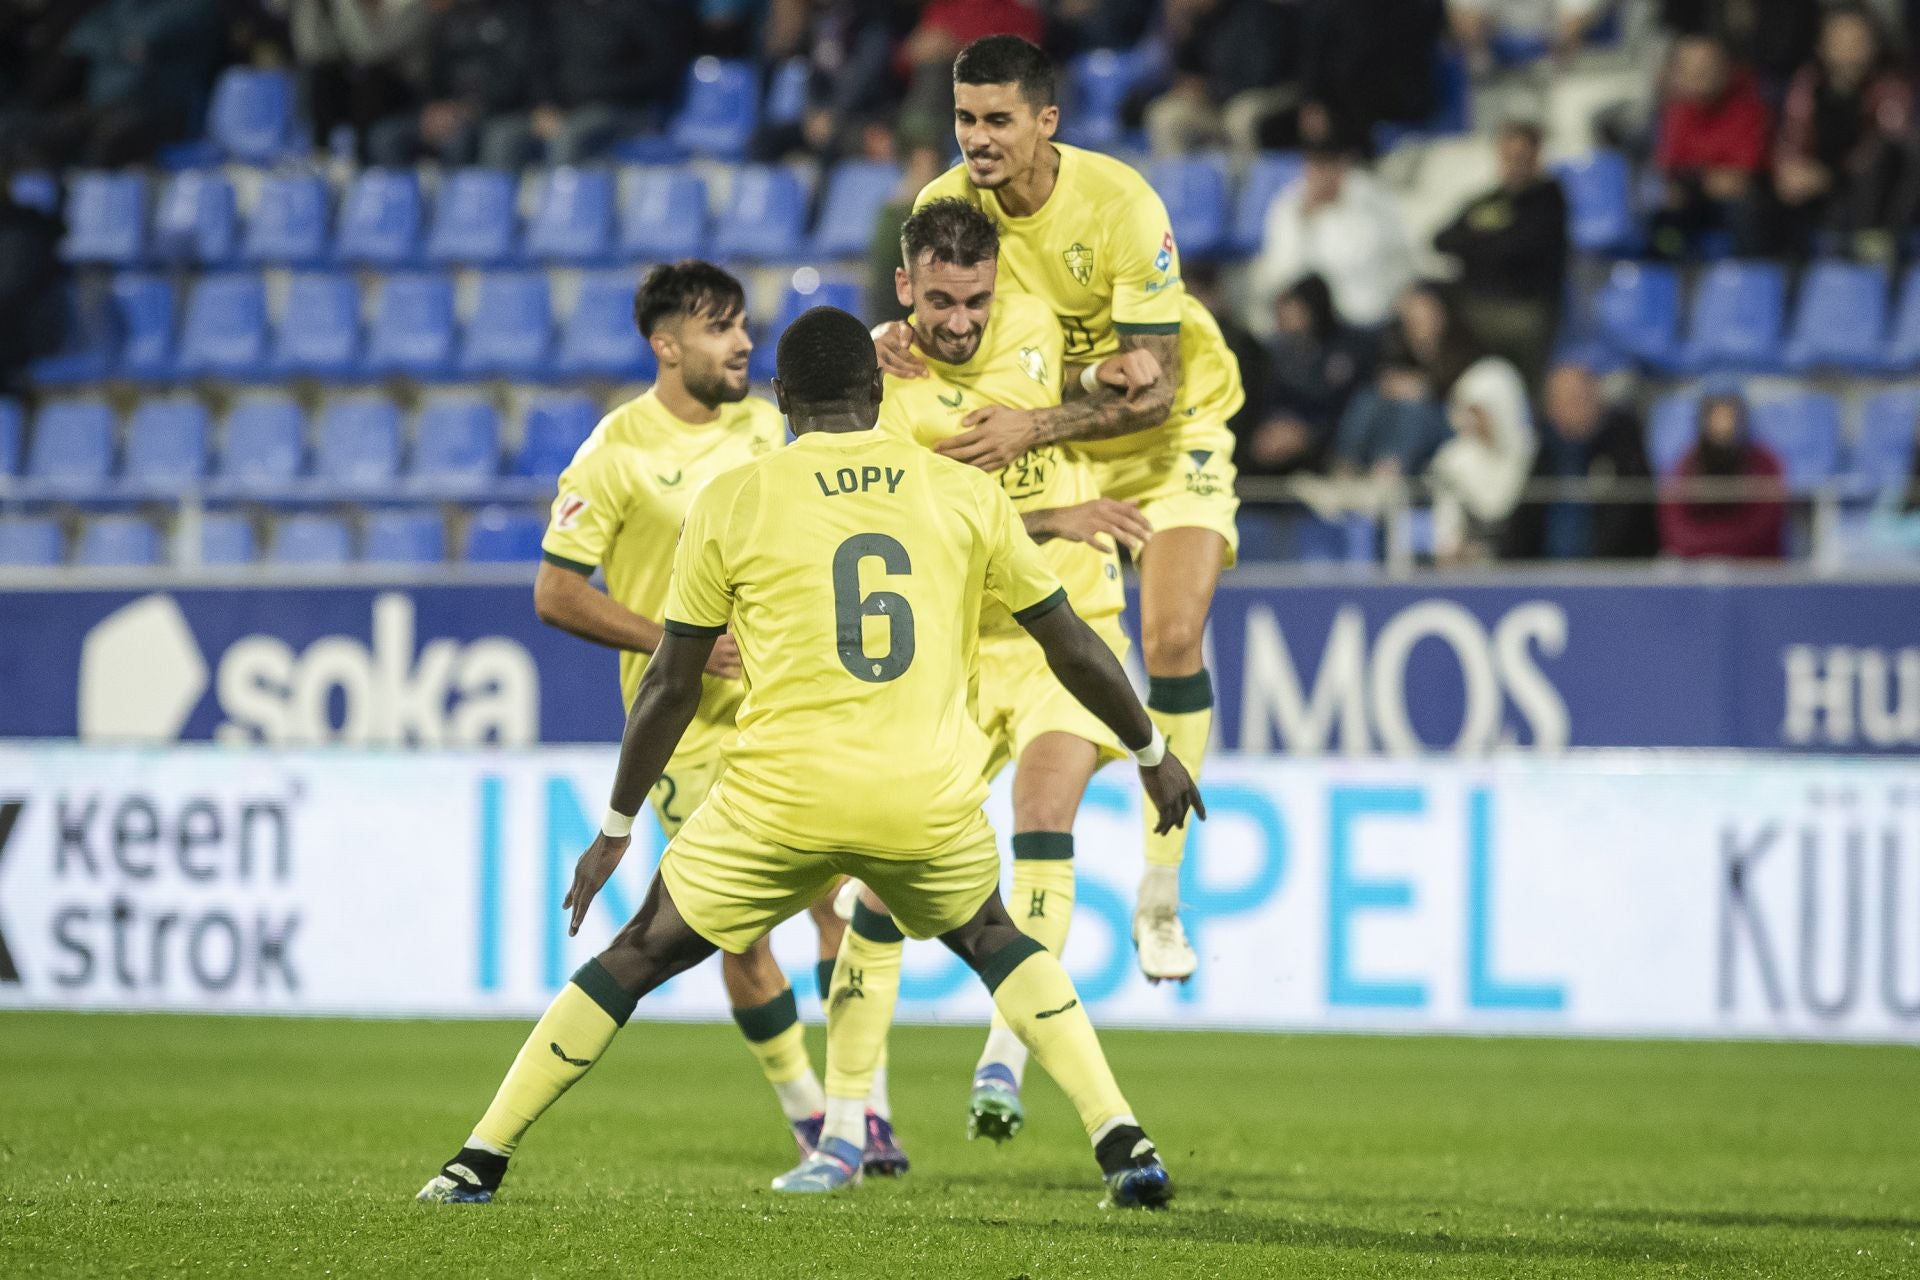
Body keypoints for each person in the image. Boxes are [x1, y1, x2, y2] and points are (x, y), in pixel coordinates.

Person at [418, 306, 1201, 1208]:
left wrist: (615, 827)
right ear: (879, 392)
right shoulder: (964, 492)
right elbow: (1072, 645)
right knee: (993, 939)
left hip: (779, 801)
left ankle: (479, 1159)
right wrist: (1151, 748)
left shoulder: (735, 497)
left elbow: (671, 685)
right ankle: (1122, 1141)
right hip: (921, 798)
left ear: (782, 399)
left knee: (637, 952)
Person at [871, 35, 1247, 982]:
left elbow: (1153, 390)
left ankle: (1161, 892)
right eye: (965, 119)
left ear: (1047, 121)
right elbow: (944, 324)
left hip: (1164, 432)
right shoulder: (944, 207)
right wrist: (892, 336)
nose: (978, 139)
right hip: (1066, 441)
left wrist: (1036, 423)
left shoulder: (1122, 205)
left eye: (998, 119)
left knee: (1169, 637)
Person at [529, 262, 906, 1175]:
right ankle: (807, 1109)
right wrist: (673, 641)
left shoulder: (768, 423)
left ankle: (867, 1112)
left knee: (842, 902)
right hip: (688, 734)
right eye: (719, 329)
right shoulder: (614, 454)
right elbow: (554, 592)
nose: (742, 342)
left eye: (744, 326)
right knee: (739, 931)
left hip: (788, 708)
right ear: (667, 346)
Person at [828, 197, 1165, 1147]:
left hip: (1064, 629)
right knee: (886, 878)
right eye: (940, 301)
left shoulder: (1032, 320)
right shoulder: (879, 395)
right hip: (954, 650)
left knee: (1042, 816)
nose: (962, 321)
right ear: (905, 289)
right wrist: (1058, 519)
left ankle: (1004, 1058)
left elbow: (1097, 375)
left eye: (975, 299)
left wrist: (1104, 373)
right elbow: (917, 538)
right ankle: (852, 1118)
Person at [1770, 3, 1918, 261]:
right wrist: (1789, 168)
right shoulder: (1809, 84)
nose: (1849, 51)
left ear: (1875, 44)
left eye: (1858, 42)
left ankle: (1875, 244)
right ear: (1822, 46)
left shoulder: (1892, 84)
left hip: (1876, 196)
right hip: (1821, 190)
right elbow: (1792, 139)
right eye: (1841, 41)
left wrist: (1831, 176)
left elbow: (1885, 151)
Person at [1433, 120, 1569, 389]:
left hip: (1524, 309)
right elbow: (1441, 240)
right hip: (1476, 306)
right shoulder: (1487, 200)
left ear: (1536, 155)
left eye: (1522, 155)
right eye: (1509, 154)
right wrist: (1491, 243)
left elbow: (1521, 251)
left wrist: (1478, 242)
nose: (1514, 162)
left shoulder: (1548, 198)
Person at [479, 0, 695, 168]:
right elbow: (541, 64)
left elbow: (662, 68)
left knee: (569, 135)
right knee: (501, 135)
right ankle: (490, 218)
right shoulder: (562, 14)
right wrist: (545, 105)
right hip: (566, 109)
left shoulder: (637, 11)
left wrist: (605, 90)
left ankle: (562, 214)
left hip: (624, 109)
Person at [1250, 145, 1417, 335]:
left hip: (1377, 317)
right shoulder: (1289, 207)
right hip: (1320, 329)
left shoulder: (1371, 197)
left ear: (1342, 166)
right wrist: (1305, 223)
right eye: (1315, 167)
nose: (1322, 176)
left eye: (1329, 165)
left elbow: (1398, 253)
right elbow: (1283, 273)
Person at [1501, 360, 1659, 560]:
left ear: (1596, 400)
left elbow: (1630, 522)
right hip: (1545, 574)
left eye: (1576, 399)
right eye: (1558, 401)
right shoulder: (1544, 451)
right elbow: (1523, 524)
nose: (1566, 409)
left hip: (1608, 575)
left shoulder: (1623, 446)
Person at [365, 0, 537, 169]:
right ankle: (401, 197)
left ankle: (463, 196)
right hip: (448, 110)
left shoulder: (516, 15)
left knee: (457, 140)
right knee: (385, 136)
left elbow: (516, 78)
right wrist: (432, 108)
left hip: (494, 111)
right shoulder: (448, 17)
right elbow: (432, 74)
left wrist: (471, 108)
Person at [1240, 274, 1375, 477]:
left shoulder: (1349, 348)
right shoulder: (1272, 351)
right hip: (1274, 435)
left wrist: (1307, 435)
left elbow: (1348, 407)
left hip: (1327, 443)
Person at [1649, 34, 1771, 258]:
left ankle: (1745, 277)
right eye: (1688, 67)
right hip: (1693, 194)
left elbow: (1739, 176)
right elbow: (1671, 168)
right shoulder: (1675, 111)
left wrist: (1697, 178)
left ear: (1725, 67)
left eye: (1706, 66)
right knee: (1663, 216)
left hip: (1739, 203)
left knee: (1746, 208)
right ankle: (1664, 273)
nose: (1697, 75)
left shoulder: (1749, 105)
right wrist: (1699, 179)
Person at [1142, 0, 1300, 157]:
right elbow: (1189, 70)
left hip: (1270, 99)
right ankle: (1175, 180)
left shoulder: (1258, 13)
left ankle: (1245, 180)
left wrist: (1213, 88)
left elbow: (1262, 74)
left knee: (1240, 116)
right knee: (1165, 115)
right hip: (1219, 104)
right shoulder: (1201, 19)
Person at [286, 0, 430, 157]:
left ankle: (360, 156)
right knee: (324, 75)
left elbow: (375, 50)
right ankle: (321, 150)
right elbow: (311, 50)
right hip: (368, 81)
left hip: (407, 88)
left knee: (371, 81)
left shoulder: (412, 7)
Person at [1658, 387, 1787, 559]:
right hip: (1696, 570)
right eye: (1716, 417)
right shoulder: (1687, 463)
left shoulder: (1765, 464)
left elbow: (1763, 531)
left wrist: (1717, 548)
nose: (1723, 426)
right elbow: (1676, 532)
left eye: (1729, 417)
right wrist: (1709, 551)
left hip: (1756, 570)